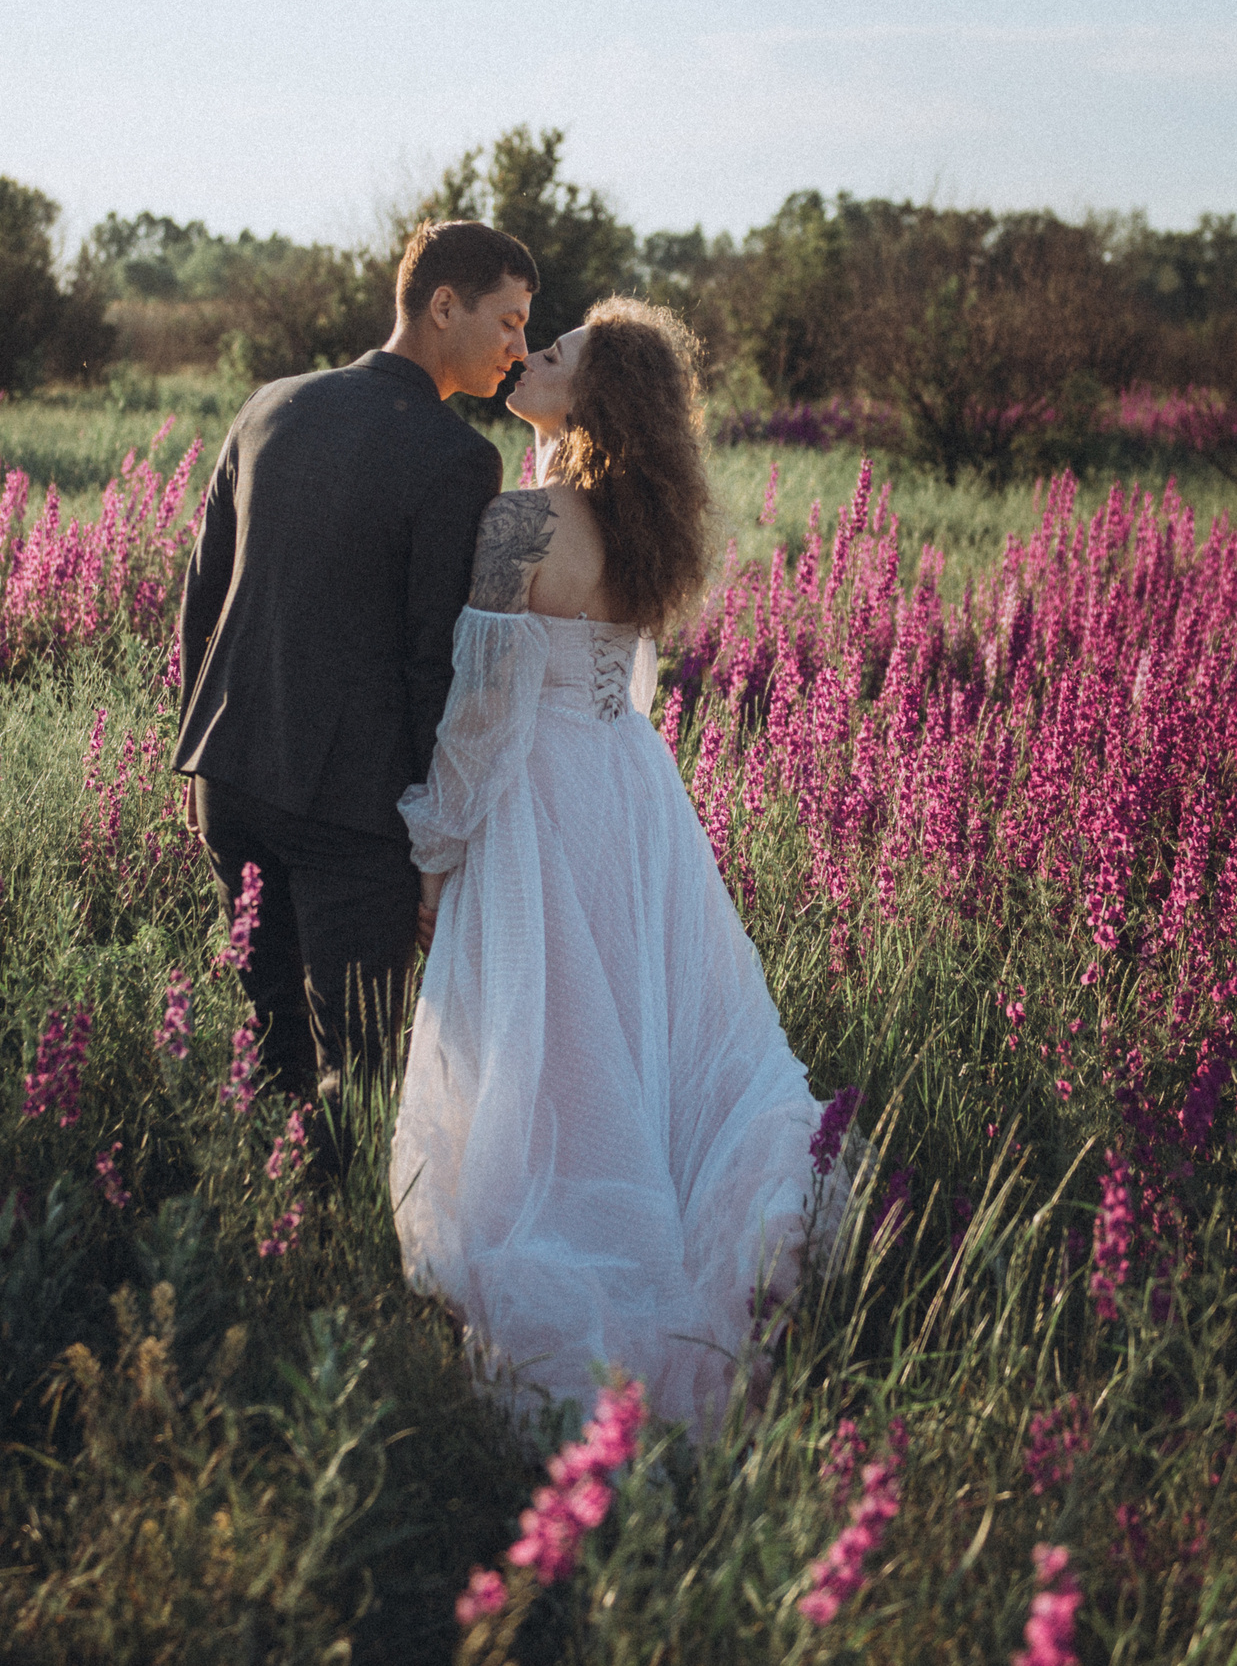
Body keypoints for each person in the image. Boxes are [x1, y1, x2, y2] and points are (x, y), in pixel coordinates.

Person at [393, 297, 827, 1429]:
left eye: (558, 352)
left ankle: (583, 1280)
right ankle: (679, 1241)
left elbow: (482, 718)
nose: (531, 355)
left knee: (545, 1046)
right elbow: (619, 691)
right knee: (626, 1032)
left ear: (594, 398)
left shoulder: (521, 522)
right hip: (630, 798)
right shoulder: (633, 524)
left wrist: (432, 855)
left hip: (537, 798)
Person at [175, 220, 537, 1186]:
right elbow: (435, 661)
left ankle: (252, 1215)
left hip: (230, 774)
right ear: (442, 305)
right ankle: (316, 1250)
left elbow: (201, 594)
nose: (517, 346)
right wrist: (434, 832)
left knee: (268, 1038)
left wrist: (191, 745)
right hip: (353, 809)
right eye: (506, 320)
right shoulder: (457, 459)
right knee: (361, 1065)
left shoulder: (270, 405)